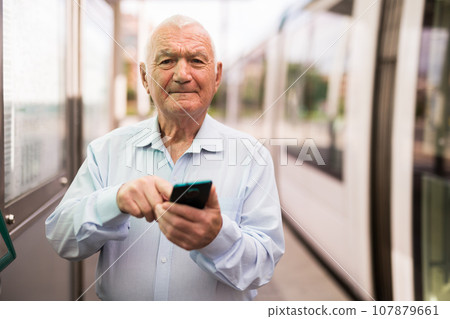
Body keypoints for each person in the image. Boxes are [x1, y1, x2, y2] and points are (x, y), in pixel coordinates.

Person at [45, 15, 284, 301]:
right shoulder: (107, 150)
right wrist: (115, 200)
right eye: (167, 61)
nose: (183, 74)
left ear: (217, 75)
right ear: (145, 78)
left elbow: (263, 266)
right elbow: (61, 238)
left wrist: (217, 237)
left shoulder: (252, 158)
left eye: (196, 60)